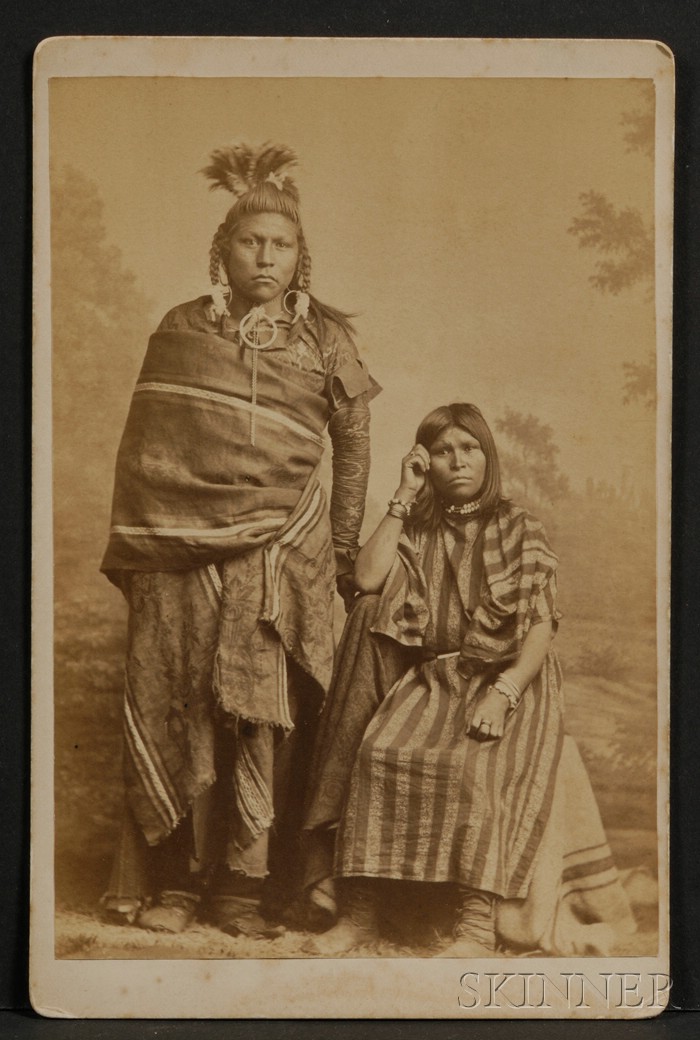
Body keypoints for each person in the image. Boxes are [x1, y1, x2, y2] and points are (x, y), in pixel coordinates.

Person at [99, 142, 380, 936]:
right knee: (187, 702)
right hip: (181, 555)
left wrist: (347, 543)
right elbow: (150, 446)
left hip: (283, 556)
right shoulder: (182, 327)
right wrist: (170, 537)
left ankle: (242, 889)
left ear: (302, 258)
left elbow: (354, 439)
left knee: (262, 713)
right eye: (251, 241)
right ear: (221, 251)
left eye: (281, 244)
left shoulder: (326, 340)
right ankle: (180, 884)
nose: (266, 255)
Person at [303, 403, 636, 957]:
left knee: (476, 764)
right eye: (441, 451)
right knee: (377, 751)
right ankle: (361, 912)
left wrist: (505, 695)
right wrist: (403, 496)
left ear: (488, 456)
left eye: (468, 448)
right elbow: (365, 578)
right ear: (424, 461)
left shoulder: (518, 526)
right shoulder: (418, 525)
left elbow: (538, 628)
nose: (456, 461)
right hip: (439, 677)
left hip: (513, 679)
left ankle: (475, 927)